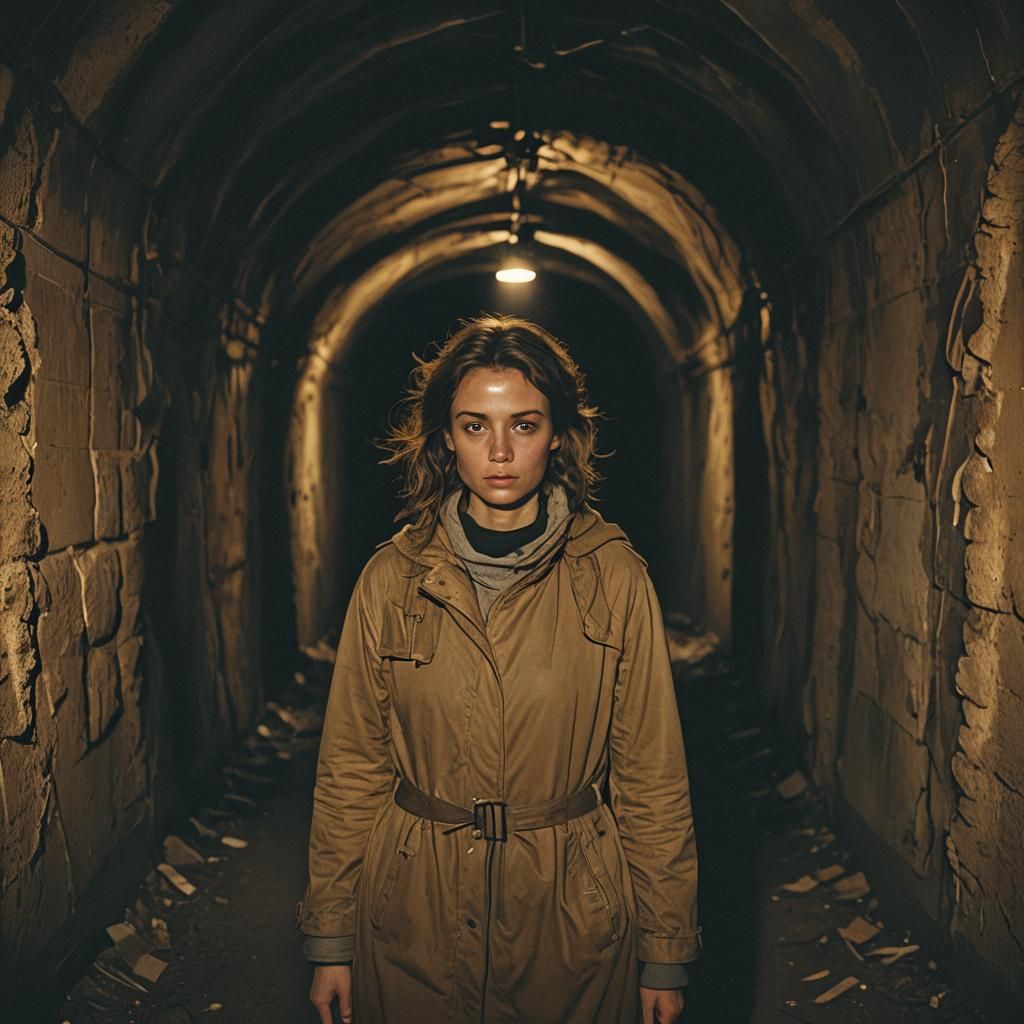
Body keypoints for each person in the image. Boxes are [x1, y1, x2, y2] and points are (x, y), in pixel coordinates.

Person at [296, 315, 700, 1023]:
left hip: (568, 919)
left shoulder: (612, 579)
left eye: (525, 424)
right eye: (476, 426)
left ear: (559, 436)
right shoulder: (392, 581)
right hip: (413, 915)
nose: (501, 451)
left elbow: (651, 778)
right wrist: (331, 940)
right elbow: (351, 770)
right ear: (446, 438)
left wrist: (664, 950)